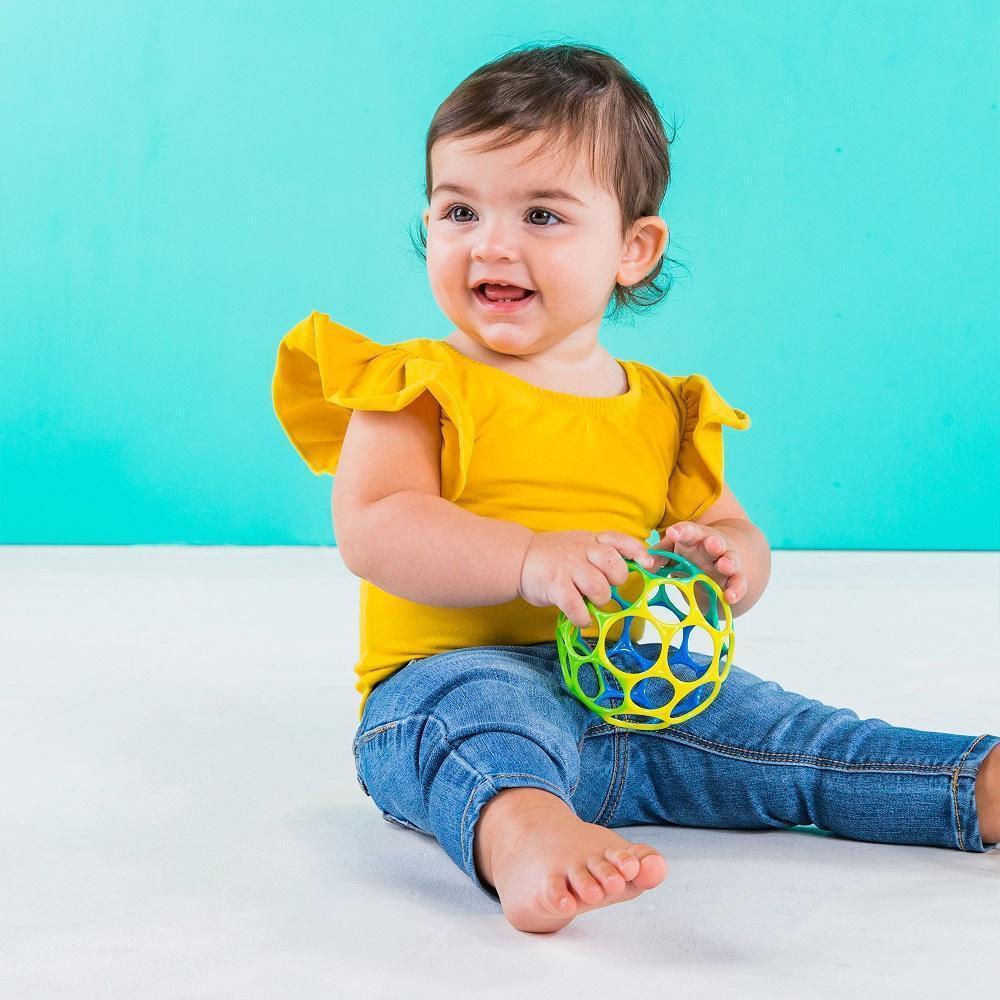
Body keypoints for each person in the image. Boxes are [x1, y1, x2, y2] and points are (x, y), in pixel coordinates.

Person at [271, 42, 1000, 934]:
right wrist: (528, 559)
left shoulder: (664, 408)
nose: (491, 243)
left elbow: (720, 526)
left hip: (651, 695)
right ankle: (528, 837)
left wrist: (736, 559)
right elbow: (375, 527)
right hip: (455, 677)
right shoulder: (415, 385)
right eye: (461, 209)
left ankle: (968, 783)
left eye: (542, 214)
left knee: (791, 736)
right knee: (478, 736)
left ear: (633, 248)